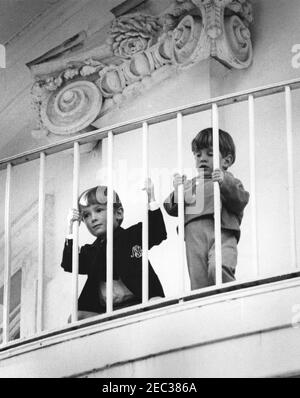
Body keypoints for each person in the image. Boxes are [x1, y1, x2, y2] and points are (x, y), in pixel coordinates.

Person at [61, 179, 166, 320]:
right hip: (105, 314)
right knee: (75, 317)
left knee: (157, 302)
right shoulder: (91, 251)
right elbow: (69, 263)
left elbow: (157, 231)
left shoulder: (131, 236)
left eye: (98, 210)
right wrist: (71, 228)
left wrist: (151, 198)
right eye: (86, 215)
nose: (92, 218)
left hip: (140, 304)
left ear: (118, 213)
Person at [164, 128, 249, 290]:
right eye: (198, 155)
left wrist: (224, 182)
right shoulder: (190, 184)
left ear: (226, 161)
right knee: (199, 280)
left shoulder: (228, 180)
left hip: (221, 231)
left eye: (210, 154)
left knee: (219, 267)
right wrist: (177, 191)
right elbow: (170, 208)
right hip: (193, 234)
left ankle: (231, 299)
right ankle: (203, 308)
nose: (202, 158)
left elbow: (241, 200)